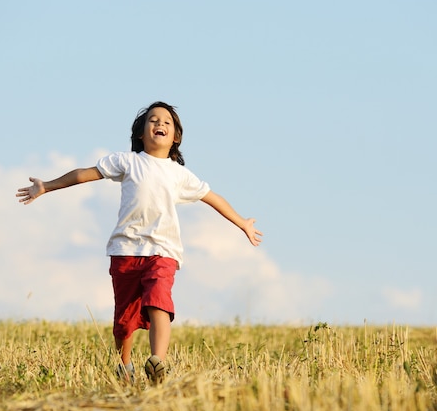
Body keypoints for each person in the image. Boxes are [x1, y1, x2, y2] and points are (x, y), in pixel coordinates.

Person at [16, 101, 262, 384]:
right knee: (124, 319)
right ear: (141, 133)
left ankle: (158, 362)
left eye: (167, 122)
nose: (160, 124)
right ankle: (124, 365)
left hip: (163, 251)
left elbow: (213, 197)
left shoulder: (179, 174)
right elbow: (84, 174)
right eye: (153, 120)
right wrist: (46, 186)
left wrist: (242, 222)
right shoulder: (127, 161)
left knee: (159, 300)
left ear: (176, 137)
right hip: (125, 251)